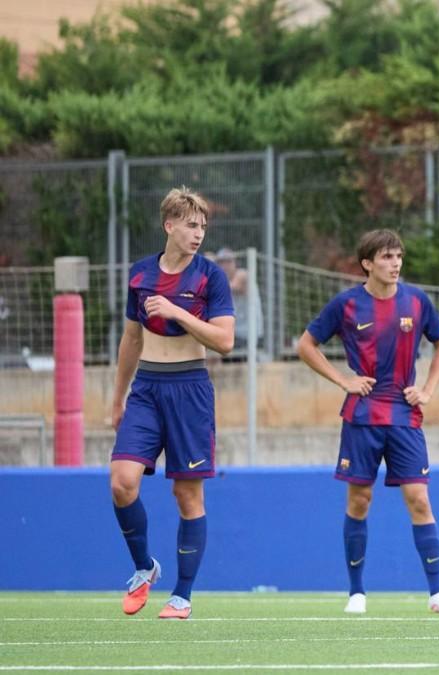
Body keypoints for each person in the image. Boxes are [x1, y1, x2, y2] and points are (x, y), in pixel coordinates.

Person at [296, 229, 439, 615]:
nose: (395, 264)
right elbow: (306, 345)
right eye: (386, 257)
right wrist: (343, 380)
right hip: (363, 414)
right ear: (367, 263)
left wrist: (428, 390)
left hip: (405, 415)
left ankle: (437, 594)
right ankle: (357, 593)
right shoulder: (346, 304)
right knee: (360, 499)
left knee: (419, 499)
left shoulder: (417, 301)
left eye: (399, 256)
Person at [109, 187, 235, 620]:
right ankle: (144, 567)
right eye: (191, 225)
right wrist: (117, 397)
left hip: (190, 389)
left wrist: (180, 314)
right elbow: (130, 338)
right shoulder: (140, 274)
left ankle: (182, 595)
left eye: (203, 226)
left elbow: (225, 341)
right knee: (122, 482)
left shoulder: (210, 277)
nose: (199, 233)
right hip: (145, 387)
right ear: (170, 225)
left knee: (186, 494)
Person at [214, 248, 261, 356]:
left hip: (247, 335)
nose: (225, 266)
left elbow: (233, 286)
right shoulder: (222, 280)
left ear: (235, 263)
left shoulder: (242, 275)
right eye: (221, 262)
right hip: (234, 335)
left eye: (229, 262)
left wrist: (209, 265)